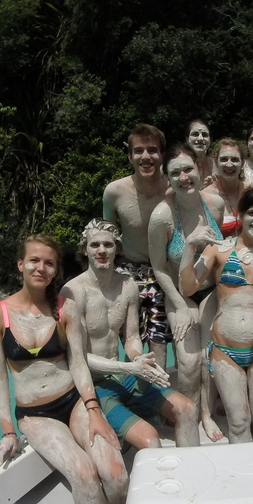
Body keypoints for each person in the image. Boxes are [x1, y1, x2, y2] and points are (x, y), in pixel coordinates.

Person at [0, 235, 127, 504]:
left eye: (49, 263)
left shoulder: (66, 309)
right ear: (20, 264)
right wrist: (8, 431)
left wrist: (94, 410)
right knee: (85, 476)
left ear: (55, 270)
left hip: (75, 401)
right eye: (34, 260)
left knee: (115, 473)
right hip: (35, 415)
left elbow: (78, 364)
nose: (41, 267)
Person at [64, 219, 200, 448]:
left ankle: (192, 476)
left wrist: (138, 357)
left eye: (108, 245)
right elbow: (77, 358)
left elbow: (131, 337)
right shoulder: (73, 292)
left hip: (125, 375)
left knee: (188, 409)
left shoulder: (128, 286)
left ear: (117, 248)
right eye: (94, 245)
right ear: (84, 249)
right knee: (150, 439)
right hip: (94, 385)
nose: (101, 251)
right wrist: (130, 367)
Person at [180, 188, 253, 443]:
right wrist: (189, 247)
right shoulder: (218, 250)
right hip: (225, 352)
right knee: (238, 423)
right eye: (252, 213)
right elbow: (188, 287)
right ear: (241, 215)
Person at [148, 143, 226, 440]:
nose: (184, 177)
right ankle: (188, 413)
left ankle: (206, 413)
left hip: (211, 290)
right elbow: (158, 267)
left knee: (210, 357)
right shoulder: (162, 216)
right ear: (167, 178)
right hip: (179, 293)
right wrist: (180, 305)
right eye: (175, 173)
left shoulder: (215, 205)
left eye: (188, 169)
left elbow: (217, 252)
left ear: (199, 168)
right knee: (189, 363)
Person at [103, 124, 171, 370]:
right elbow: (106, 237)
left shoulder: (173, 190)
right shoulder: (115, 192)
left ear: (162, 155)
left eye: (152, 150)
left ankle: (160, 394)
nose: (146, 157)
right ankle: (131, 392)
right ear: (130, 156)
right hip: (127, 273)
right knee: (130, 339)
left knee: (159, 339)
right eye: (139, 151)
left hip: (165, 270)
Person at [203, 138, 248, 238]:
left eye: (234, 159)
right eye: (224, 159)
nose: (229, 164)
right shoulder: (206, 196)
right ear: (216, 162)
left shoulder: (250, 192)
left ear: (243, 163)